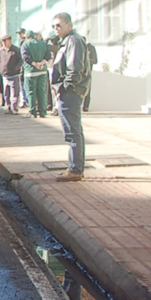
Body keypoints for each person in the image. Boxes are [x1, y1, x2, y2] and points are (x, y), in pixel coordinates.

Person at [51, 12, 92, 181]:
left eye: (59, 25)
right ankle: (75, 167)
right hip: (68, 92)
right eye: (54, 26)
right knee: (72, 130)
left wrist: (66, 87)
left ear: (69, 25)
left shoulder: (74, 40)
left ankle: (75, 169)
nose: (56, 29)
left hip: (70, 93)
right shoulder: (67, 41)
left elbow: (75, 67)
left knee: (72, 131)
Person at [21, 30, 50, 118]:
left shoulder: (25, 44)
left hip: (30, 71)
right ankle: (43, 111)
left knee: (31, 91)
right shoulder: (43, 44)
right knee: (42, 91)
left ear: (26, 37)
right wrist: (41, 63)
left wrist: (35, 64)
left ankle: (32, 111)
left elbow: (26, 57)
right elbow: (48, 55)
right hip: (42, 71)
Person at [0, 34, 23, 114]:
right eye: (3, 42)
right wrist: (0, 69)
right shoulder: (1, 51)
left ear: (10, 41)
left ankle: (14, 108)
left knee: (14, 93)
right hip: (5, 75)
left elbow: (20, 60)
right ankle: (8, 107)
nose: (4, 44)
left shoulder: (15, 50)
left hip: (14, 75)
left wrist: (16, 68)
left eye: (6, 42)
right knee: (6, 93)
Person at [83, 42, 98, 112]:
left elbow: (95, 61)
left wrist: (86, 61)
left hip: (88, 72)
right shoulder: (77, 47)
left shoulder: (91, 48)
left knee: (87, 90)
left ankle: (85, 107)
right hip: (78, 72)